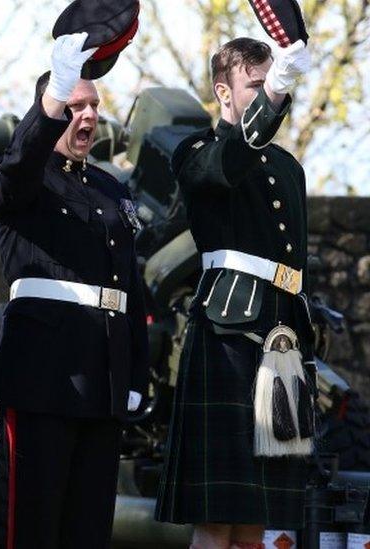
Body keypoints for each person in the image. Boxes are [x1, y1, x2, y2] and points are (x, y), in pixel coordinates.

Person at [0, 32, 149, 548]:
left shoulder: (109, 189)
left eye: (94, 106)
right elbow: (20, 161)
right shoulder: (20, 183)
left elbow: (129, 288)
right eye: (75, 106)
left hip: (103, 378)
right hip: (43, 376)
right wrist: (53, 98)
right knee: (34, 524)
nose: (88, 116)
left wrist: (135, 373)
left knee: (88, 528)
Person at [155, 36, 314, 549]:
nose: (270, 94)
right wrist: (276, 94)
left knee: (259, 517)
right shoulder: (196, 151)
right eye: (257, 85)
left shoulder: (289, 167)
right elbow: (231, 161)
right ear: (224, 92)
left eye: (273, 83)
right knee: (217, 516)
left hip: (283, 331)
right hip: (228, 333)